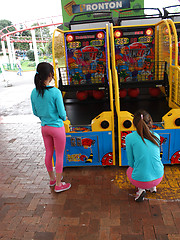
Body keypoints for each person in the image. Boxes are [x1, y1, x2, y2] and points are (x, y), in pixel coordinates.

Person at [30, 62, 71, 193]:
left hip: (44, 128)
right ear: (50, 75)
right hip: (57, 128)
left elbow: (35, 112)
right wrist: (64, 117)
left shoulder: (33, 92)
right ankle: (59, 184)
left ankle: (52, 179)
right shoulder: (55, 92)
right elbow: (62, 114)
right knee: (59, 155)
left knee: (49, 153)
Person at [125, 110, 164, 202]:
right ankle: (152, 187)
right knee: (152, 164)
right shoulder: (156, 136)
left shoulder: (129, 137)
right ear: (150, 122)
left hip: (141, 180)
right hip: (159, 176)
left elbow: (131, 162)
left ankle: (141, 190)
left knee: (129, 170)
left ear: (134, 124)